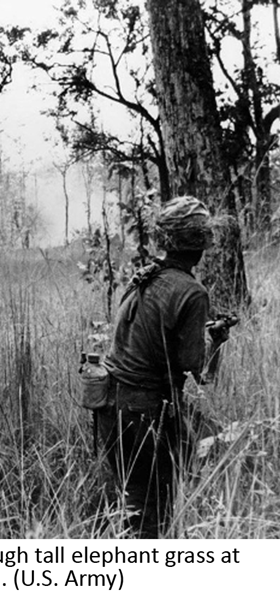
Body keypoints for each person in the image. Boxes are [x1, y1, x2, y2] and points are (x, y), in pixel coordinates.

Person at [97, 196, 229, 538]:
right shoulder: (191, 291)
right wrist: (215, 341)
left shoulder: (145, 277)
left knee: (132, 499)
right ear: (200, 243)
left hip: (108, 404)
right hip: (144, 409)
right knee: (152, 511)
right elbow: (195, 369)